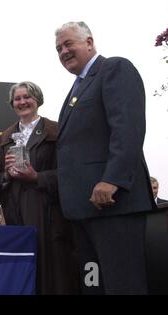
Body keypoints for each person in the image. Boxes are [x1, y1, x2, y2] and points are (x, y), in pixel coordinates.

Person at [55, 21, 156, 294]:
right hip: (82, 209)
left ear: (89, 42)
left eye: (68, 44)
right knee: (94, 284)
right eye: (58, 48)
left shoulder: (114, 68)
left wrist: (112, 179)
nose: (63, 51)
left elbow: (128, 128)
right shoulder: (76, 89)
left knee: (122, 285)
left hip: (114, 204)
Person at [0, 81, 78, 294]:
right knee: (23, 276)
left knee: (55, 278)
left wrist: (37, 177)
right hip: (16, 218)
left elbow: (71, 174)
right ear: (12, 104)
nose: (22, 102)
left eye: (27, 97)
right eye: (17, 98)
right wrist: (7, 175)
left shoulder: (56, 131)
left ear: (38, 100)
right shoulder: (5, 138)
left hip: (50, 218)